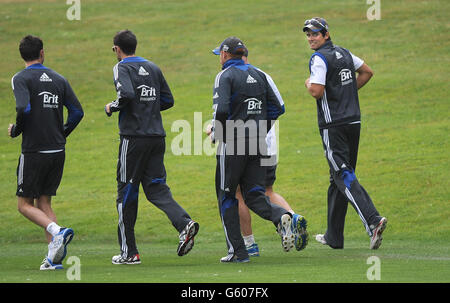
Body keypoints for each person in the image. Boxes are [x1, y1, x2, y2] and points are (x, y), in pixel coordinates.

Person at [105, 30, 199, 265]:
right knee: (156, 188)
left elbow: (125, 94)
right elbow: (168, 100)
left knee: (126, 192)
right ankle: (184, 223)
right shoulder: (153, 67)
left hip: (133, 138)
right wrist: (148, 109)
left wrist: (112, 107)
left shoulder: (121, 68)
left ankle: (130, 253)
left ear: (117, 49)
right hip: (156, 136)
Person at [210, 36, 307, 263]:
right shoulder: (259, 74)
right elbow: (278, 107)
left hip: (233, 142)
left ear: (225, 55)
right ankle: (282, 215)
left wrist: (219, 132)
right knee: (254, 194)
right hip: (258, 142)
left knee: (227, 196)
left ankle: (238, 252)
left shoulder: (224, 75)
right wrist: (260, 128)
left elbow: (222, 109)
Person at [302, 17, 387, 249]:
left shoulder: (318, 58)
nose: (311, 38)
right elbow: (367, 72)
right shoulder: (345, 53)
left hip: (333, 125)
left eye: (315, 34)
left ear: (326, 34)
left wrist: (308, 83)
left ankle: (373, 220)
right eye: (308, 34)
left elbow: (317, 92)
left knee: (342, 174)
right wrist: (345, 91)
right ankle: (334, 236)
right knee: (338, 177)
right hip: (353, 122)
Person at [8, 35, 84, 270]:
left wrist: (16, 130)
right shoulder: (59, 79)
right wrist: (61, 133)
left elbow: (23, 107)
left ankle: (57, 231)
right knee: (43, 202)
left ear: (22, 55)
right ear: (42, 53)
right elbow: (77, 112)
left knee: (23, 205)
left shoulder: (20, 78)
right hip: (57, 151)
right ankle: (53, 259)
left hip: (34, 151)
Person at [236, 49, 308, 256]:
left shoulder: (231, 77)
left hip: (246, 145)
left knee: (238, 193)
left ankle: (249, 244)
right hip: (270, 145)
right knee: (267, 190)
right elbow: (279, 106)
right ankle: (293, 218)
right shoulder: (263, 75)